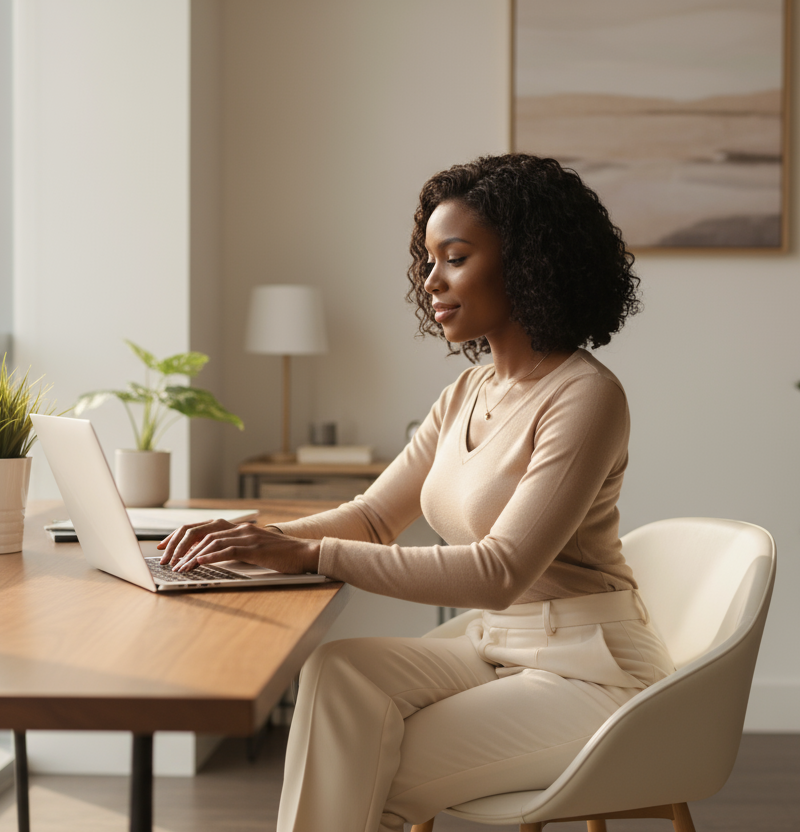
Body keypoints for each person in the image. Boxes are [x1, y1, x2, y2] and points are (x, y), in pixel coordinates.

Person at [158, 154, 676, 832]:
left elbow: (497, 571)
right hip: (496, 646)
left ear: (527, 263)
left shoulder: (586, 397)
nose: (431, 281)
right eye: (427, 260)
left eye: (454, 257)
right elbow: (374, 516)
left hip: (589, 671)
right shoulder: (467, 392)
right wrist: (264, 541)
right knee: (339, 675)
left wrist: (308, 558)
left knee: (362, 766)